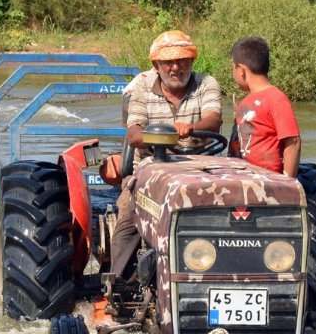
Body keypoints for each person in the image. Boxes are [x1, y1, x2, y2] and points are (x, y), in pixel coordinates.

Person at [109, 30, 223, 278]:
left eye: (182, 61)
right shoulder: (142, 86)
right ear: (156, 65)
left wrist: (191, 128)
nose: (175, 68)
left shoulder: (206, 84)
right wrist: (168, 134)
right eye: (168, 62)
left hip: (199, 171)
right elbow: (135, 135)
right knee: (128, 221)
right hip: (150, 171)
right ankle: (116, 287)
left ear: (191, 62)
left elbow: (213, 121)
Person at [229, 36, 301, 177]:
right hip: (243, 178)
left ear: (241, 69)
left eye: (233, 67)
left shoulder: (276, 99)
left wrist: (287, 183)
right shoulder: (245, 102)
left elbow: (293, 142)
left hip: (267, 182)